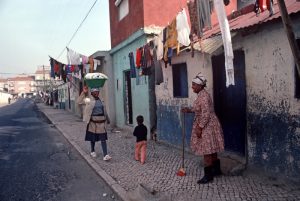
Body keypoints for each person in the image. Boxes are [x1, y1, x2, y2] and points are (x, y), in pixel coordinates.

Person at [181, 73, 224, 184]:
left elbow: (206, 114)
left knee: (207, 150)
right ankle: (216, 170)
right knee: (211, 149)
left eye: (194, 85)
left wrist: (200, 128)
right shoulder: (201, 94)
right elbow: (199, 109)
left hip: (207, 126)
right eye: (192, 84)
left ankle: (208, 175)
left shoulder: (204, 97)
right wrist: (189, 110)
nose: (192, 87)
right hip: (209, 124)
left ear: (200, 86)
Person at [77, 87, 112, 161]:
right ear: (92, 93)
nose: (97, 93)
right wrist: (84, 92)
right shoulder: (89, 100)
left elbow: (104, 111)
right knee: (93, 137)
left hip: (102, 122)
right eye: (95, 92)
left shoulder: (101, 100)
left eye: (97, 92)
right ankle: (92, 151)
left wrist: (108, 120)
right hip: (93, 122)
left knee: (103, 138)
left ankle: (105, 155)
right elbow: (79, 102)